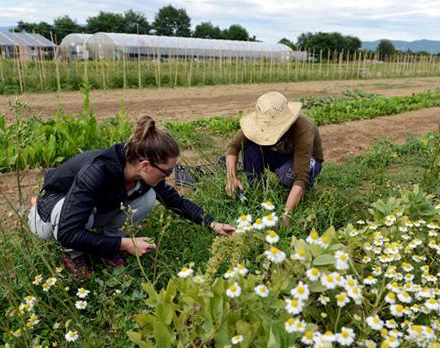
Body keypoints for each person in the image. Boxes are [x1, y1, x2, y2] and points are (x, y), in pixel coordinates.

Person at [28, 115, 235, 277]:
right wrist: (126, 244)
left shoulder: (140, 173)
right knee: (82, 216)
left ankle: (107, 245)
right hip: (50, 214)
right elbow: (68, 232)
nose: (169, 176)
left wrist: (211, 223)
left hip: (89, 210)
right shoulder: (98, 172)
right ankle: (74, 255)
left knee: (148, 197)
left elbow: (175, 201)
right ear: (145, 165)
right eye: (167, 172)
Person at [224, 91, 324, 225]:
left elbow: (301, 176)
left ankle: (300, 191)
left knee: (288, 177)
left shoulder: (303, 128)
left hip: (306, 160)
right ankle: (257, 190)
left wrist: (286, 215)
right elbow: (233, 147)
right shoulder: (256, 124)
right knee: (249, 148)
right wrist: (232, 178)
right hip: (277, 156)